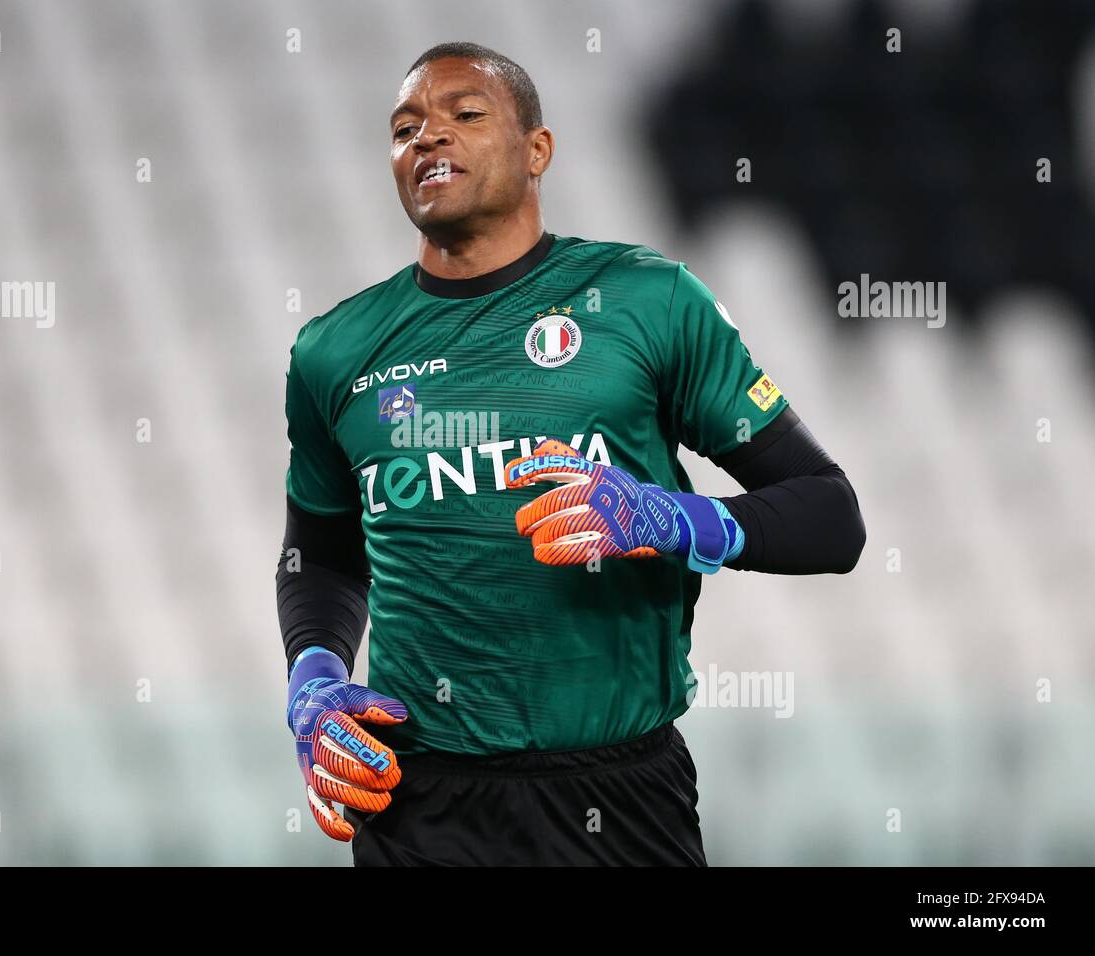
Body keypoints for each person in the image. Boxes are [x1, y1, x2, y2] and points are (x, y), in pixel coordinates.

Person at [277, 42, 865, 866]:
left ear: (536, 150)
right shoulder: (333, 351)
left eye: (464, 115)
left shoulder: (647, 301)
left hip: (620, 798)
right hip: (419, 804)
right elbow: (321, 553)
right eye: (405, 128)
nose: (427, 139)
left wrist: (673, 519)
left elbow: (832, 517)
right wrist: (312, 678)